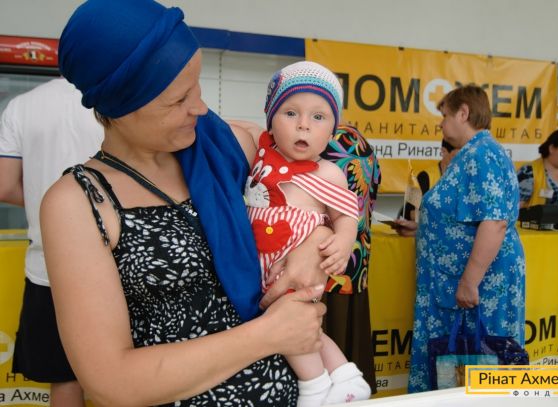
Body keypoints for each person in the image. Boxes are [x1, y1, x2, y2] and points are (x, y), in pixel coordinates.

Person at [40, 1, 329, 406]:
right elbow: (110, 381)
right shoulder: (80, 203)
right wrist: (268, 335)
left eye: (197, 86)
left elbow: (336, 183)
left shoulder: (229, 148)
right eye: (177, 100)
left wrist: (313, 242)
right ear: (121, 107)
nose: (201, 108)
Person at [234, 62, 372, 406]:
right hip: (262, 265)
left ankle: (314, 387)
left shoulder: (328, 173)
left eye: (318, 117)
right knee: (308, 327)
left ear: (332, 130)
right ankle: (346, 376)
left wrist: (343, 241)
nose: (303, 125)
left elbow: (346, 215)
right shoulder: (260, 157)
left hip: (294, 265)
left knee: (291, 322)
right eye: (290, 113)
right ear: (271, 120)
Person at [407, 84, 525, 393]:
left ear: (463, 113)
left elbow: (495, 222)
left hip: (475, 286)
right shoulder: (472, 154)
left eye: (445, 115)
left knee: (477, 361)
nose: (441, 124)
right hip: (453, 283)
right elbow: (463, 217)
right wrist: (422, 230)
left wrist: (470, 281)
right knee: (457, 366)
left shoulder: (481, 155)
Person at [0, 77, 103, 406]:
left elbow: (4, 185)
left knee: (64, 380)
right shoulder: (116, 99)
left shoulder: (21, 106)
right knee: (125, 379)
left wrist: (50, 209)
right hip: (113, 262)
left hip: (47, 268)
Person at [320, 124, 381, 396]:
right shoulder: (360, 141)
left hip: (325, 266)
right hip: (355, 266)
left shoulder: (328, 143)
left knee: (323, 365)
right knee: (349, 353)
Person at [398, 138, 459, 220]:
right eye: (456, 156)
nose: (461, 160)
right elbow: (411, 213)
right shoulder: (425, 177)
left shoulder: (465, 177)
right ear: (443, 151)